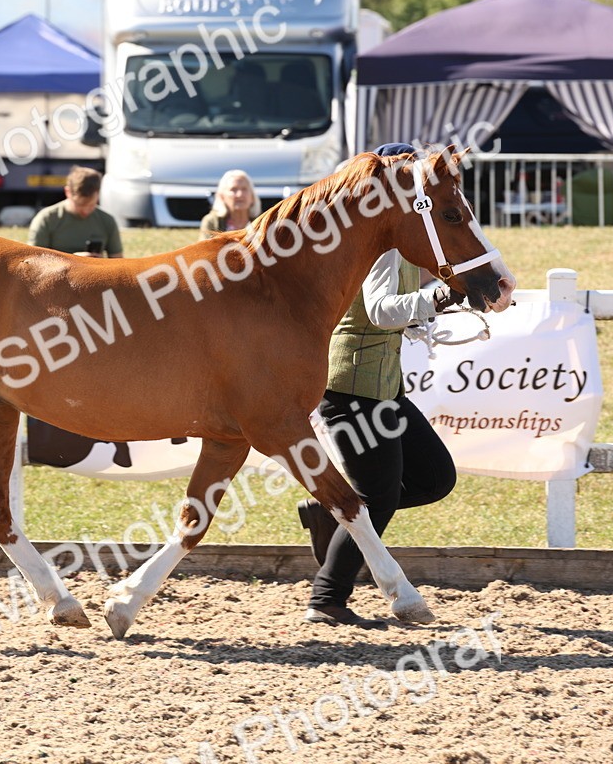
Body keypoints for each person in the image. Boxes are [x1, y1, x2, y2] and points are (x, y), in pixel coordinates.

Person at [297, 142, 463, 630]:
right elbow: (379, 310)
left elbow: (396, 314)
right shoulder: (382, 242)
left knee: (435, 478)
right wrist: (439, 297)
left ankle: (330, 514)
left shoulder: (403, 237)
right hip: (350, 385)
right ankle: (327, 598)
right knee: (380, 497)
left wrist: (443, 305)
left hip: (384, 386)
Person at [28, 166, 123, 258]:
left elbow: (118, 262)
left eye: (91, 205)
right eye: (80, 205)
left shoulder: (107, 221)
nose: (85, 211)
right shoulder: (46, 219)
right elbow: (34, 262)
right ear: (67, 192)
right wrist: (74, 260)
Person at [198, 169, 261, 239]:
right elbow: (205, 249)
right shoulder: (212, 222)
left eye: (244, 189)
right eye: (233, 189)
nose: (240, 195)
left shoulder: (262, 222)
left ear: (252, 196)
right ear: (222, 196)